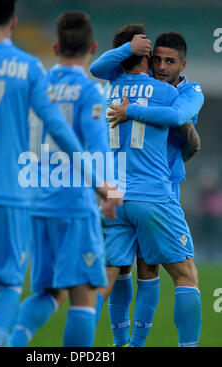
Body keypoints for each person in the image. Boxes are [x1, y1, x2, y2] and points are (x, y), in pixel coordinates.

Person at [0, 0, 119, 347]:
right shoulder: (36, 73)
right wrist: (101, 185)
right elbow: (68, 132)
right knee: (64, 293)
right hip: (40, 198)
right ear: (13, 22)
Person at [9, 10, 121, 348]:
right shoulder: (90, 91)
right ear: (93, 47)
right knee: (83, 295)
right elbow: (97, 146)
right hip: (73, 202)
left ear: (56, 47)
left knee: (50, 291)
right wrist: (109, 189)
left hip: (36, 203)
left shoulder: (37, 86)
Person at [90, 24, 203, 347]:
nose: (163, 67)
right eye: (158, 60)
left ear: (182, 65)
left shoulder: (107, 90)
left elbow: (97, 69)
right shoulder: (166, 93)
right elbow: (178, 119)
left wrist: (129, 109)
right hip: (153, 192)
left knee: (121, 272)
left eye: (170, 62)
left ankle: (113, 342)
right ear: (146, 57)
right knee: (179, 274)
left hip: (115, 195)